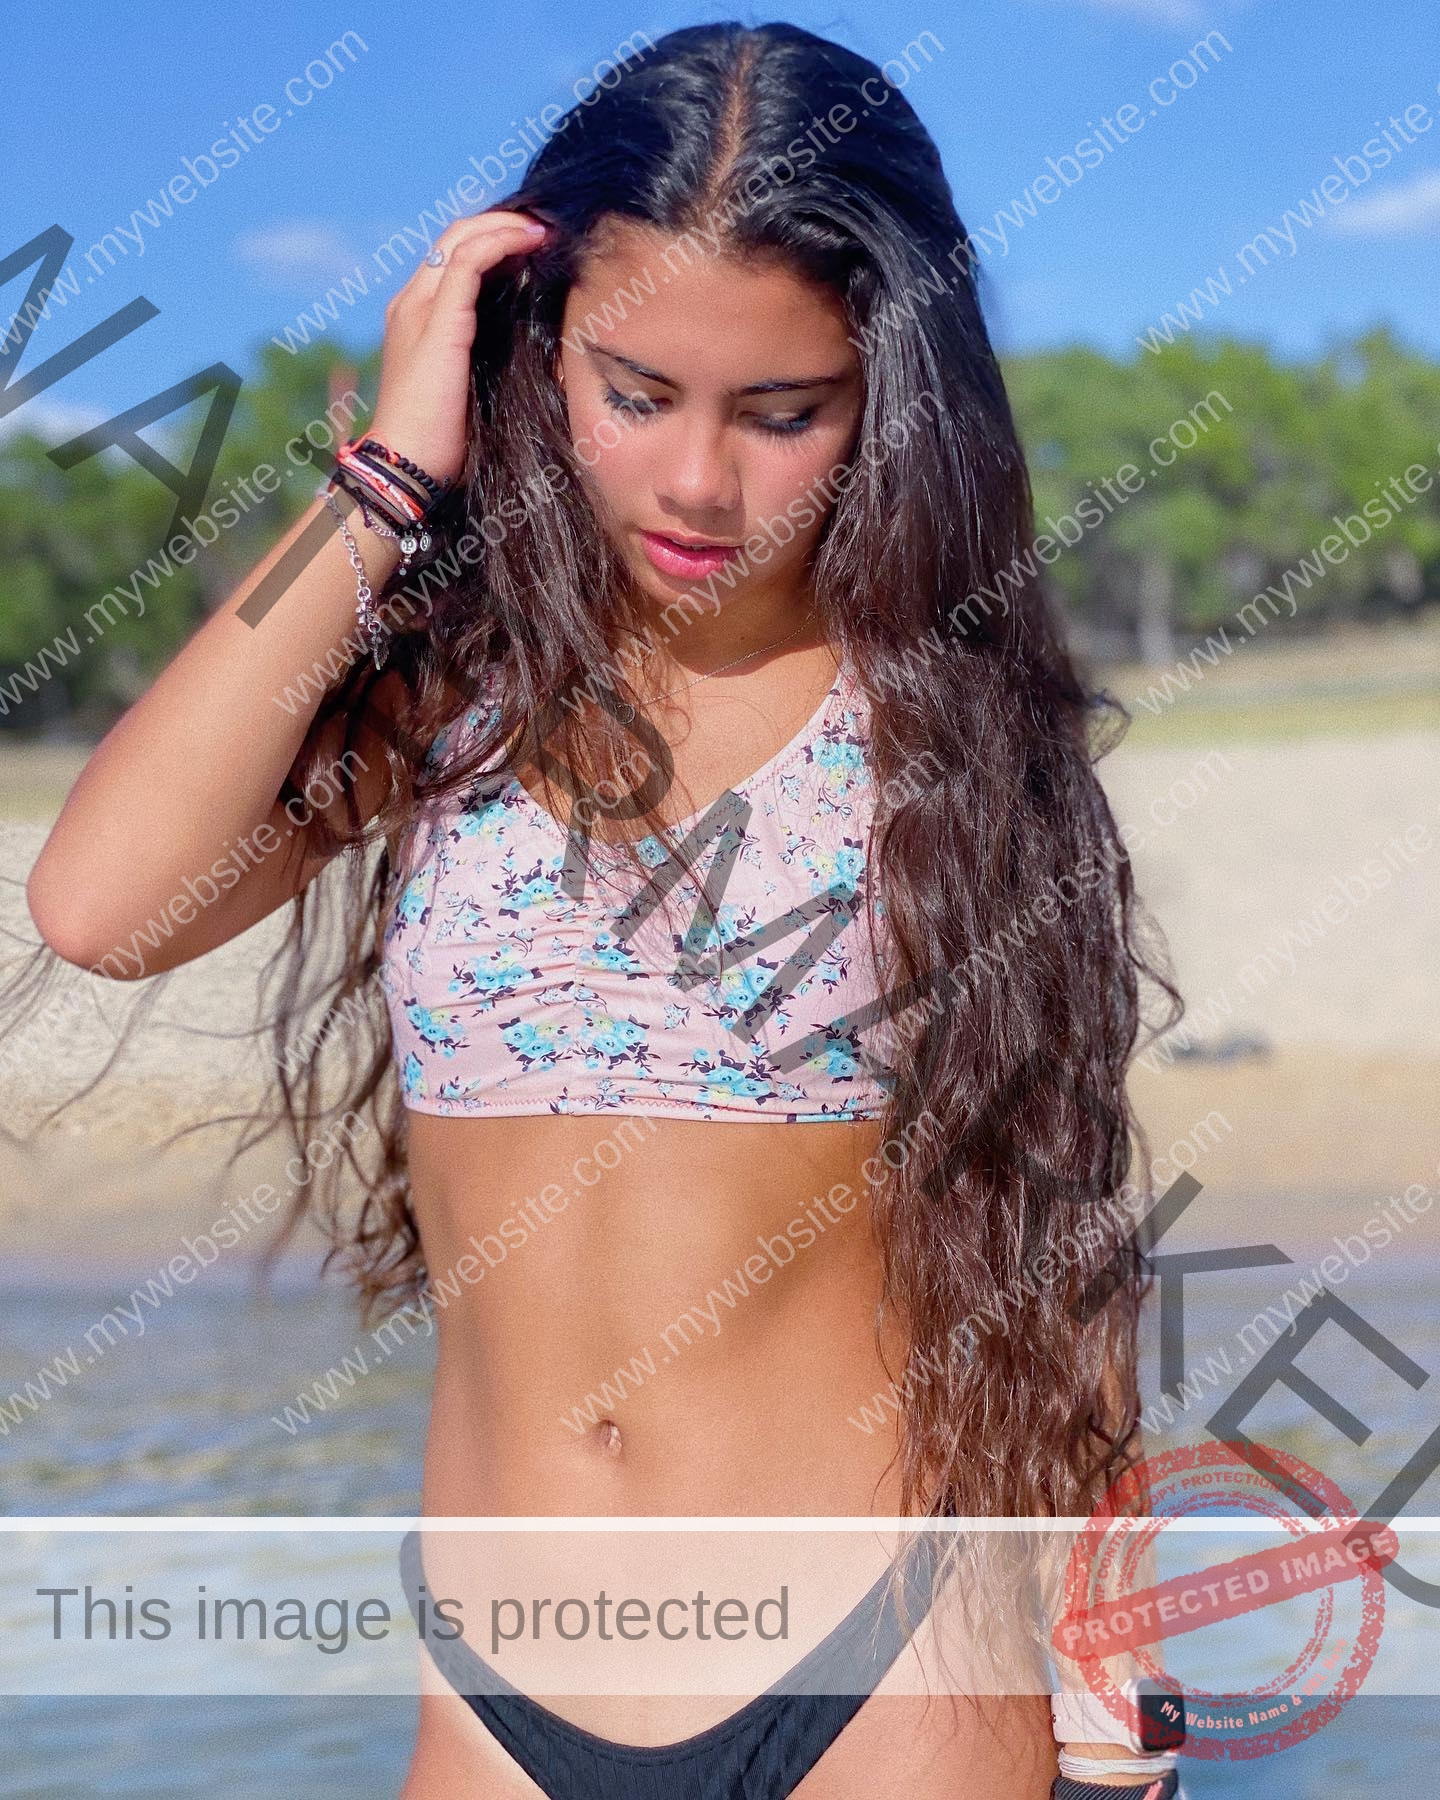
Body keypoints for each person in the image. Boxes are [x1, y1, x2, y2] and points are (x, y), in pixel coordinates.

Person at [24, 22, 1181, 1799]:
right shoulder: (451, 709)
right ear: (530, 350)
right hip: (499, 1692)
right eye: (635, 393)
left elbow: (1051, 1246)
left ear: (889, 398)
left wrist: (1119, 1724)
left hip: (888, 1672)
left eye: (783, 413)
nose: (701, 484)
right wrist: (386, 488)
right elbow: (101, 904)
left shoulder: (952, 749)